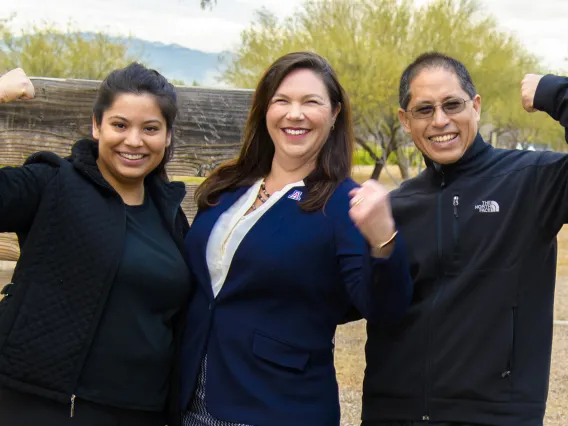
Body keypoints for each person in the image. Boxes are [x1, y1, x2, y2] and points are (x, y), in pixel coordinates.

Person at [177, 51, 413, 426]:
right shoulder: (228, 187)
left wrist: (383, 240)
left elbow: (384, 309)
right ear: (264, 110)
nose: (294, 114)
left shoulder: (342, 205)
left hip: (276, 407)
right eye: (282, 101)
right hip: (191, 402)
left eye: (311, 102)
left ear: (335, 113)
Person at [361, 52, 568, 426]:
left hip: (497, 416)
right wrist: (380, 246)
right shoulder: (392, 208)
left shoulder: (531, 181)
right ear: (405, 121)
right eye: (424, 110)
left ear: (475, 106)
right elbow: (352, 304)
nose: (440, 120)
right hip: (393, 414)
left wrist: (555, 92)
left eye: (452, 104)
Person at [0, 64, 191, 426]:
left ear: (167, 137)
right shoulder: (52, 185)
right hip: (47, 408)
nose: (134, 141)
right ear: (96, 126)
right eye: (120, 125)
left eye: (150, 128)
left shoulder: (168, 213)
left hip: (143, 412)